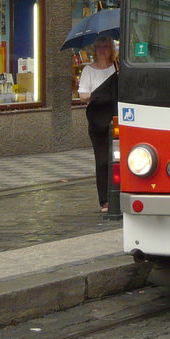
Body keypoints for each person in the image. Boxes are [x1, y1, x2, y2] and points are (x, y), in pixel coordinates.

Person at [77, 35, 118, 214]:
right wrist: (98, 95)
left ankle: (119, 193)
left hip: (115, 119)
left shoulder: (117, 68)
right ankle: (105, 200)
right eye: (99, 46)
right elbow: (83, 95)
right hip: (97, 121)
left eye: (106, 46)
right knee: (102, 160)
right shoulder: (88, 70)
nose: (102, 49)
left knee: (118, 158)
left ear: (111, 49)